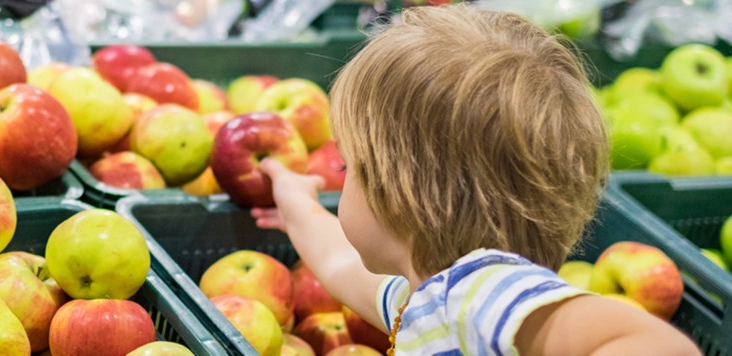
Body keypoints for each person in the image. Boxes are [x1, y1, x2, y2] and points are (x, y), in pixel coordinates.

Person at [251, 5, 701, 355]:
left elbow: (664, 348)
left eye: (350, 169)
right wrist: (297, 205)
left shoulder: (481, 291)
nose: (342, 181)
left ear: (401, 193)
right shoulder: (431, 305)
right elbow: (338, 264)